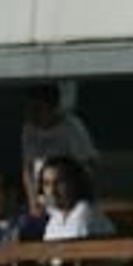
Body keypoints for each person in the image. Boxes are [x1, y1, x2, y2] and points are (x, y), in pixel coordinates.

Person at [21, 83, 100, 218]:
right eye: (29, 109)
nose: (32, 114)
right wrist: (33, 201)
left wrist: (80, 200)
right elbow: (28, 168)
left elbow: (89, 166)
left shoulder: (72, 127)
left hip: (70, 201)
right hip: (44, 202)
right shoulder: (28, 130)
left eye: (38, 109)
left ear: (53, 108)